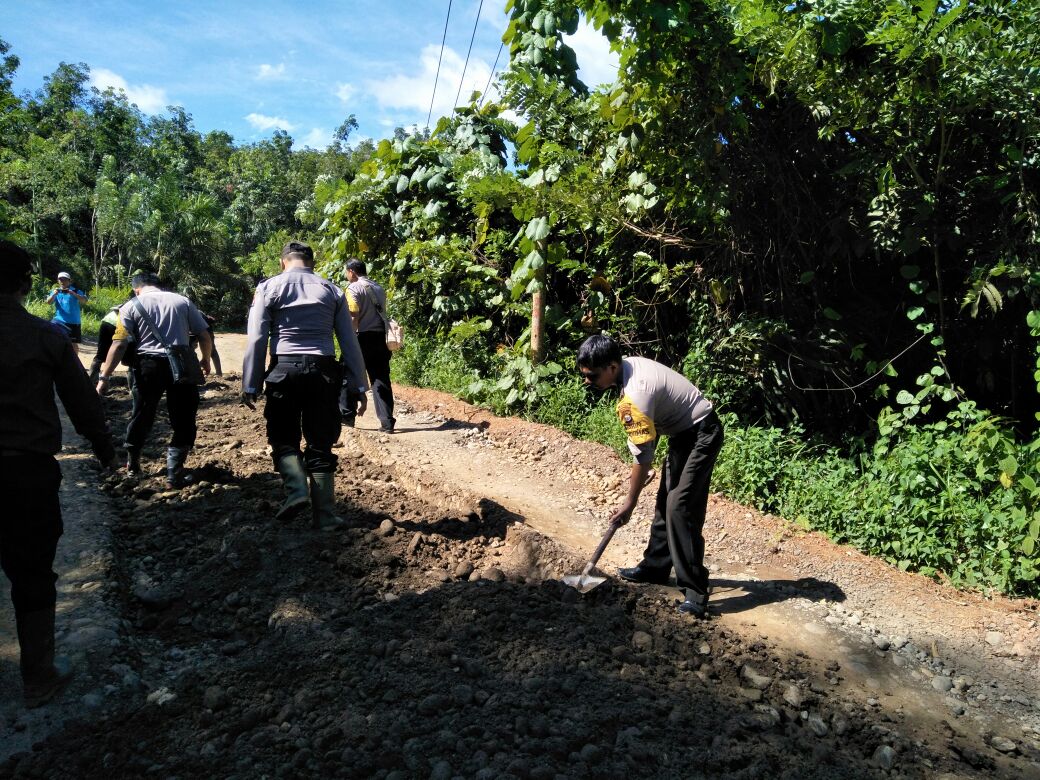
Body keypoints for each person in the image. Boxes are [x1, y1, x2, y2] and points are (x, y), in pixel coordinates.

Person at [0, 239, 117, 707]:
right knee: (31, 573)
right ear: (27, 283)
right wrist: (106, 451)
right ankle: (38, 676)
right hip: (26, 474)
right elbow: (82, 402)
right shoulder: (44, 337)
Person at [577, 334, 724, 617]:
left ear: (611, 367)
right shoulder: (627, 369)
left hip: (702, 434)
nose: (588, 381)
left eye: (592, 376)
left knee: (680, 507)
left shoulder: (636, 394)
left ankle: (695, 592)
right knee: (665, 497)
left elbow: (643, 455)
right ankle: (655, 567)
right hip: (684, 434)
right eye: (585, 375)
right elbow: (648, 440)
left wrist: (629, 503)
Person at [242, 241, 368, 529]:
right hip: (324, 372)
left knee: (283, 436)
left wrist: (251, 383)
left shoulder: (268, 288)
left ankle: (296, 490)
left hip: (284, 369)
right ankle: (324, 516)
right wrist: (359, 386)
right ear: (312, 263)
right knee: (321, 440)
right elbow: (349, 342)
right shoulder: (331, 290)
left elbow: (257, 338)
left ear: (282, 261)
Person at [96, 272, 212, 487]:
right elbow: (204, 335)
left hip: (148, 367)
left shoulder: (130, 306)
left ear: (136, 288)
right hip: (182, 364)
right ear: (160, 285)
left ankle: (133, 465)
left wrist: (104, 377)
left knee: (141, 414)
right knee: (184, 417)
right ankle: (174, 472)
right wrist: (205, 359)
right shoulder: (183, 301)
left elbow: (119, 344)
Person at [338, 258, 396, 433]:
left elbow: (353, 315)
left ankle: (347, 417)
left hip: (361, 338)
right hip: (380, 339)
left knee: (347, 375)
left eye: (346, 272)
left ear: (352, 272)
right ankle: (387, 422)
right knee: (380, 379)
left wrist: (350, 338)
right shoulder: (378, 287)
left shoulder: (353, 288)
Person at [45, 271, 87, 343]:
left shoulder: (76, 291)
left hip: (74, 322)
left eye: (64, 279)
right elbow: (48, 302)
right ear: (58, 281)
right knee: (53, 339)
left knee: (73, 345)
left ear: (69, 281)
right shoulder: (56, 291)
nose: (62, 281)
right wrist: (54, 294)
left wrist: (74, 294)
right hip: (59, 321)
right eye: (60, 279)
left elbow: (84, 301)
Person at [88, 303, 123, 383]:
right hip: (118, 324)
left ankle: (90, 380)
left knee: (100, 355)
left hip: (106, 321)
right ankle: (133, 388)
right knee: (131, 360)